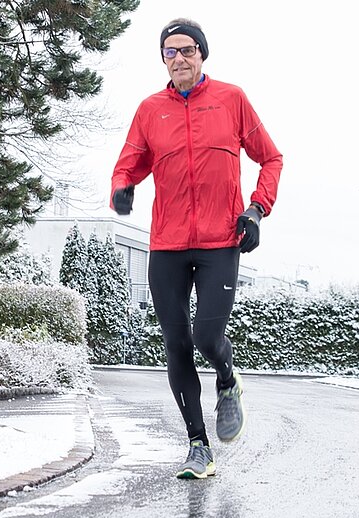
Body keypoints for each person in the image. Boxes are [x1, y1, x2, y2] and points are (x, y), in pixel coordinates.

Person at [109, 18, 283, 479]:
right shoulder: (150, 110)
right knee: (176, 345)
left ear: (202, 54)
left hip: (220, 242)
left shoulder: (232, 99)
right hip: (166, 244)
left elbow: (271, 157)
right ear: (163, 61)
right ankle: (197, 446)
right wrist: (122, 188)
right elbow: (128, 164)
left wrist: (256, 210)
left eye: (187, 50)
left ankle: (228, 381)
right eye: (170, 52)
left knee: (207, 338)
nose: (179, 59)